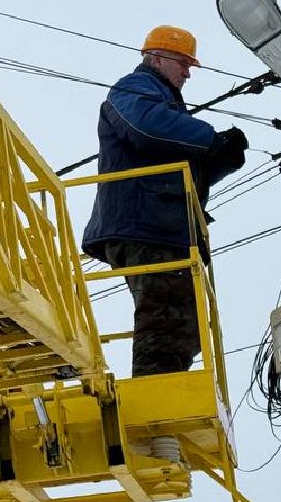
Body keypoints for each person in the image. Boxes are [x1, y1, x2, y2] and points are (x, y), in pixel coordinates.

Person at [81, 25, 249, 377]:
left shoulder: (167, 108)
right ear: (156, 58)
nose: (188, 73)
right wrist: (209, 138)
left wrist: (222, 157)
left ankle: (166, 386)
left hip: (159, 226)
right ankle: (157, 394)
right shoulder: (135, 87)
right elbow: (146, 127)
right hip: (146, 225)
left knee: (183, 320)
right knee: (166, 314)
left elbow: (180, 169)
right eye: (183, 63)